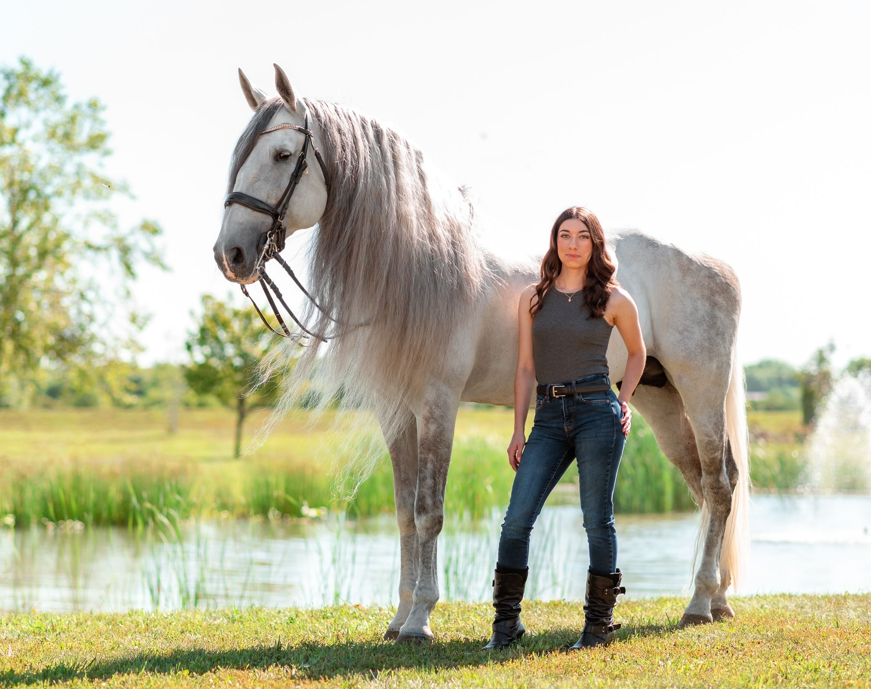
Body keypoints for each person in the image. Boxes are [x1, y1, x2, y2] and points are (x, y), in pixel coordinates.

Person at [484, 206, 646, 651]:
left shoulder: (614, 299)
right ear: (555, 242)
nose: (573, 244)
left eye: (582, 236)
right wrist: (518, 430)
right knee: (516, 521)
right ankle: (506, 626)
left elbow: (637, 353)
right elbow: (524, 368)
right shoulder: (533, 298)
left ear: (595, 244)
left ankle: (597, 627)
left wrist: (623, 400)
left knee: (597, 521)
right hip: (549, 417)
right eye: (565, 235)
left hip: (598, 412)